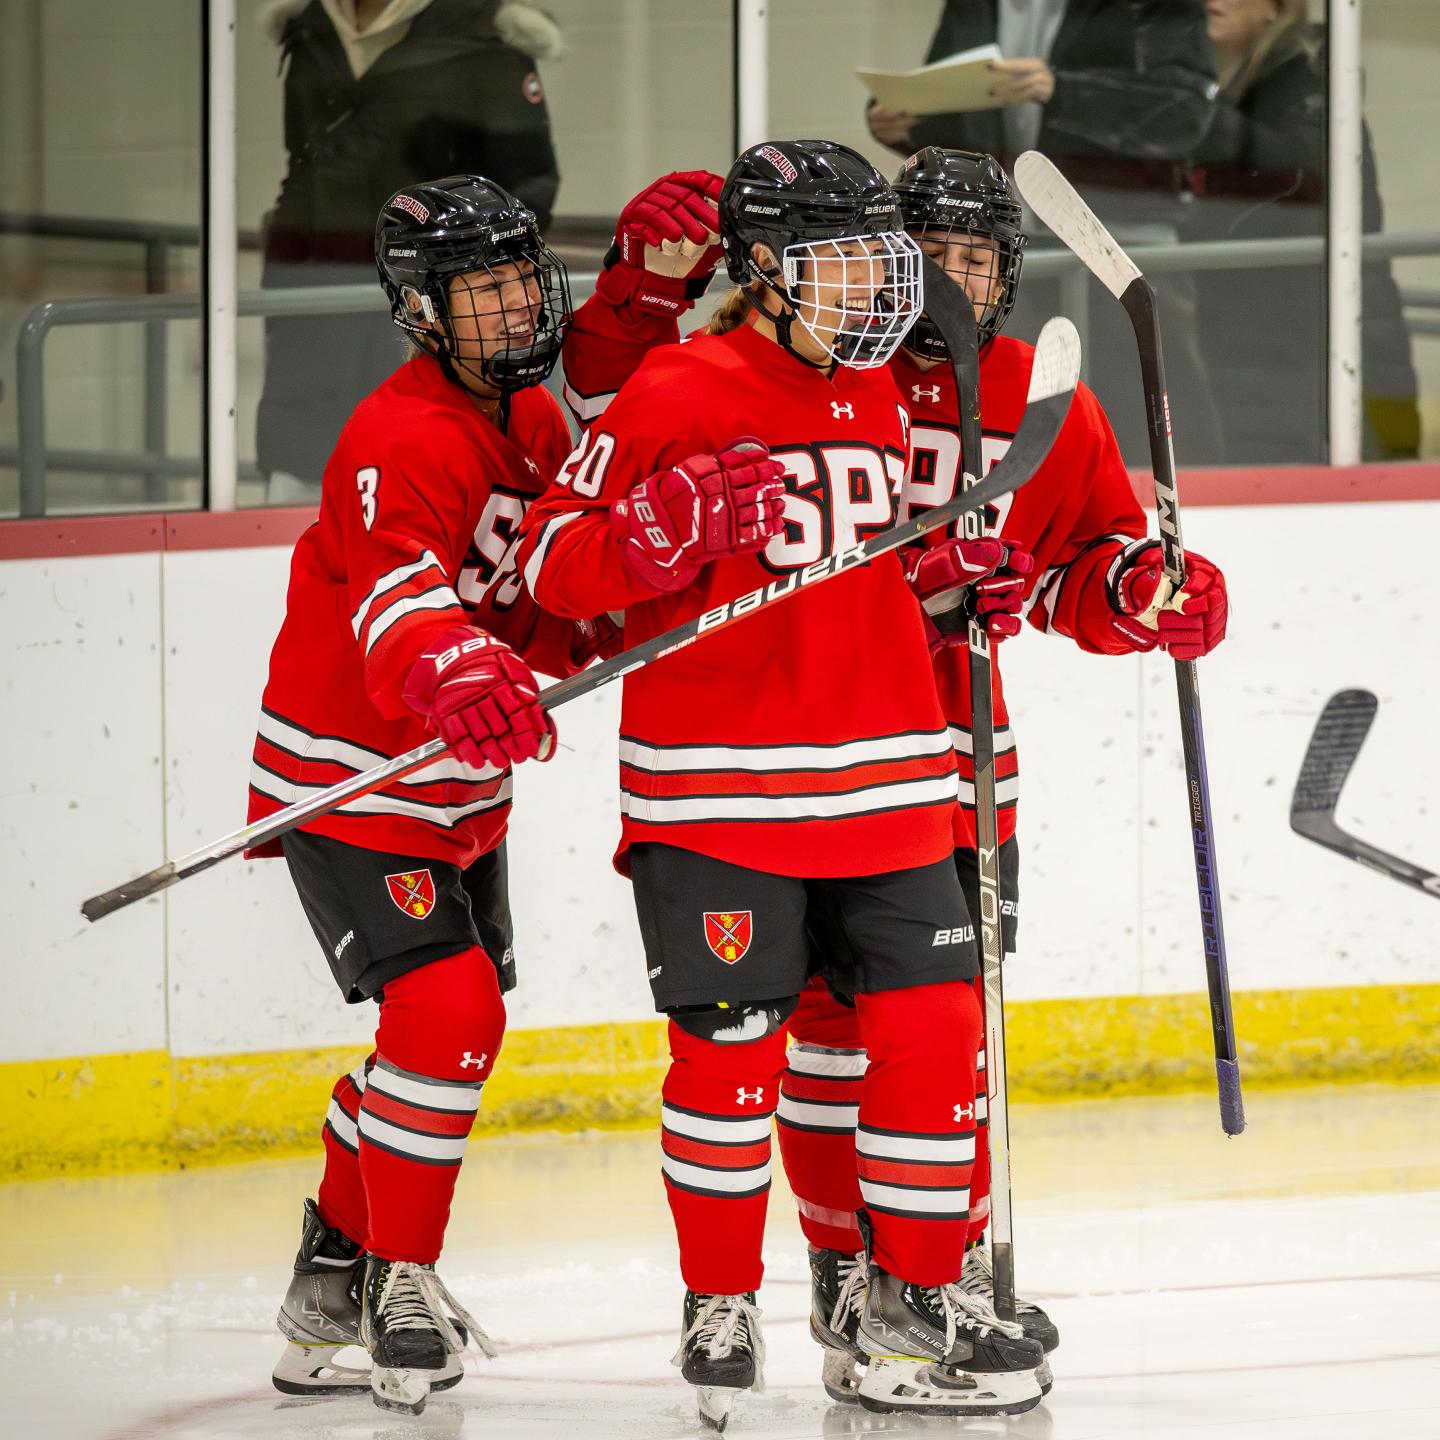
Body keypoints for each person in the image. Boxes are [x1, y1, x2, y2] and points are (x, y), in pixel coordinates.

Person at [513, 140, 1048, 1424]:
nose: (874, 283)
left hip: (895, 786)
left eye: (881, 254)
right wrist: (660, 532)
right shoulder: (678, 388)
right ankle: (720, 1296)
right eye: (841, 258)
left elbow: (848, 573)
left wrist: (953, 583)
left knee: (931, 1040)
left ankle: (903, 1306)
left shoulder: (871, 393)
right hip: (721, 799)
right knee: (731, 1056)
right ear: (758, 267)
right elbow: (554, 564)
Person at [772, 146, 1231, 1405]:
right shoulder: (825, 379)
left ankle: (940, 1260)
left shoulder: (1038, 390)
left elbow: (1086, 557)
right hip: (814, 769)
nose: (963, 280)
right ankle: (843, 1265)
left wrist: (1149, 593)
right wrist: (906, 588)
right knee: (829, 1037)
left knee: (950, 1034)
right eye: (937, 256)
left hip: (965, 771)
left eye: (984, 258)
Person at [248, 174, 611, 1416]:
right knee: (452, 1020)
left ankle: (325, 1283)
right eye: (485, 288)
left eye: (525, 277)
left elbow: (546, 603)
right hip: (359, 778)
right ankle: (399, 1277)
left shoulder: (541, 423)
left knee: (428, 1043)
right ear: (418, 310)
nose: (518, 306)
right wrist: (457, 665)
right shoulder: (397, 437)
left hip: (458, 783)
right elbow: (398, 602)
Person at [865, 0, 1226, 465]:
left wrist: (1062, 90)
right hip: (1010, 248)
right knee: (1026, 414)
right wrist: (901, 120)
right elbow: (954, 105)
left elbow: (1185, 115)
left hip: (1123, 243)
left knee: (1144, 409)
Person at [256, 0, 563, 497]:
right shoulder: (309, 28)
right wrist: (286, 277)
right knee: (304, 477)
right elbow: (302, 169)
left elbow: (526, 187)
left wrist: (466, 284)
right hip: (318, 311)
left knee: (426, 471)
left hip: (434, 311)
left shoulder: (482, 35)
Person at [1187, 0, 1420, 460]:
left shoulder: (1314, 79)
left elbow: (1296, 167)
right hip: (1264, 340)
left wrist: (1189, 113)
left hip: (1322, 341)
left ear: (1277, 8)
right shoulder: (1227, 84)